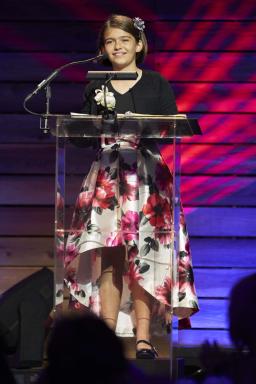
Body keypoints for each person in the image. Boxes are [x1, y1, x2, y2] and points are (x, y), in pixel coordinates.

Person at [64, 14, 199, 359]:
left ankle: (143, 338)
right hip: (109, 179)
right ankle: (104, 339)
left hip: (148, 178)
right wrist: (85, 124)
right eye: (110, 42)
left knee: (146, 259)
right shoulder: (96, 85)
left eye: (124, 40)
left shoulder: (155, 83)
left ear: (139, 45)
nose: (117, 47)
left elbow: (173, 126)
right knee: (109, 258)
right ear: (103, 50)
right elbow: (82, 139)